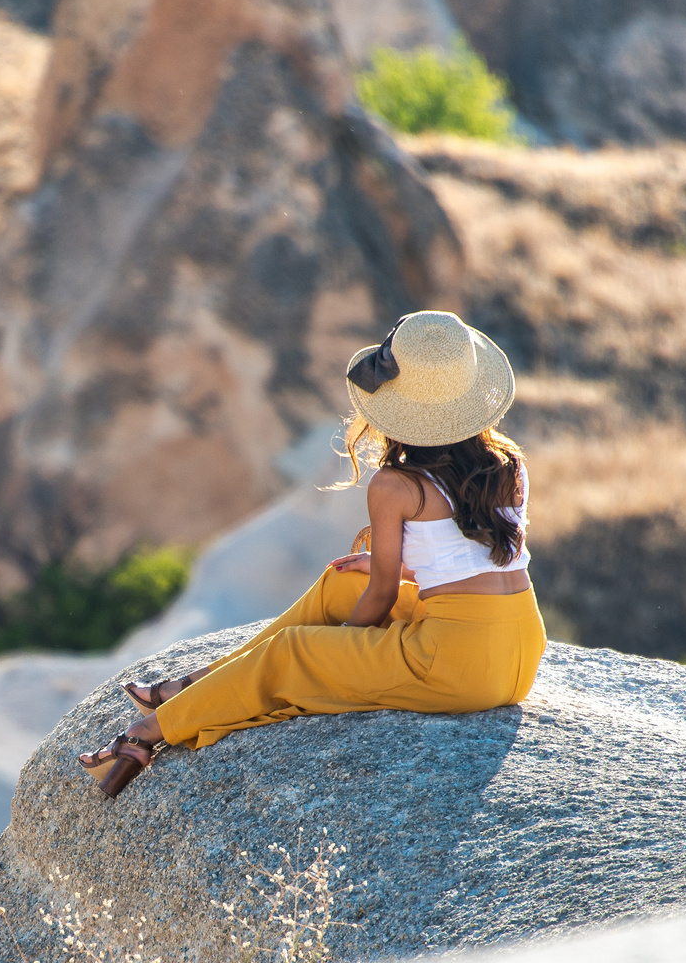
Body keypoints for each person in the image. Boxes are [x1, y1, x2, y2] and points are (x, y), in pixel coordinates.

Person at [78, 310, 546, 797]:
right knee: (342, 584)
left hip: (456, 667)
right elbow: (480, 559)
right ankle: (197, 684)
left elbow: (384, 594)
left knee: (294, 650)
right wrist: (402, 569)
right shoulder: (508, 462)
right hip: (520, 646)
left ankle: (148, 734)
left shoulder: (396, 484)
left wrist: (333, 649)